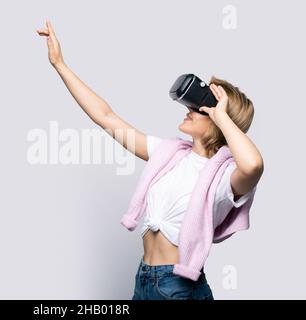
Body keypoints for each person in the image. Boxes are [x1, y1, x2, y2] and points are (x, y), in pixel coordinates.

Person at [36, 20, 264, 300]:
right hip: (145, 280)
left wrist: (222, 115)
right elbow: (107, 118)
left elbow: (253, 164)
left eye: (202, 106)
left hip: (178, 288)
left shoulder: (226, 178)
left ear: (220, 119)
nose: (190, 109)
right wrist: (60, 64)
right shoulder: (169, 154)